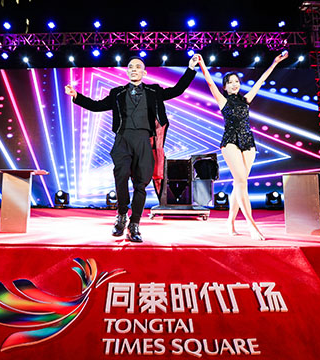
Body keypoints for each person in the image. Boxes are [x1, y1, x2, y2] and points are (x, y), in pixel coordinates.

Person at [65, 55, 200, 242]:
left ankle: (134, 224)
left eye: (138, 67)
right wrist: (77, 96)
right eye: (130, 67)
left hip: (144, 141)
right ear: (127, 72)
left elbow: (177, 89)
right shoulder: (117, 93)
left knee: (141, 183)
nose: (134, 69)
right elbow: (97, 106)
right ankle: (121, 215)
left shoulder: (154, 91)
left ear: (144, 72)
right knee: (121, 177)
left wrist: (191, 68)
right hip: (123, 140)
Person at [198, 52, 288, 238]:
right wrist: (202, 63)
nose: (234, 84)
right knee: (241, 182)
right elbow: (210, 83)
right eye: (230, 82)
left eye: (236, 81)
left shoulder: (246, 100)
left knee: (239, 184)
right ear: (225, 86)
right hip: (230, 141)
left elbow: (260, 82)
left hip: (248, 142)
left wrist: (274, 63)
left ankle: (230, 223)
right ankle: (252, 225)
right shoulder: (223, 101)